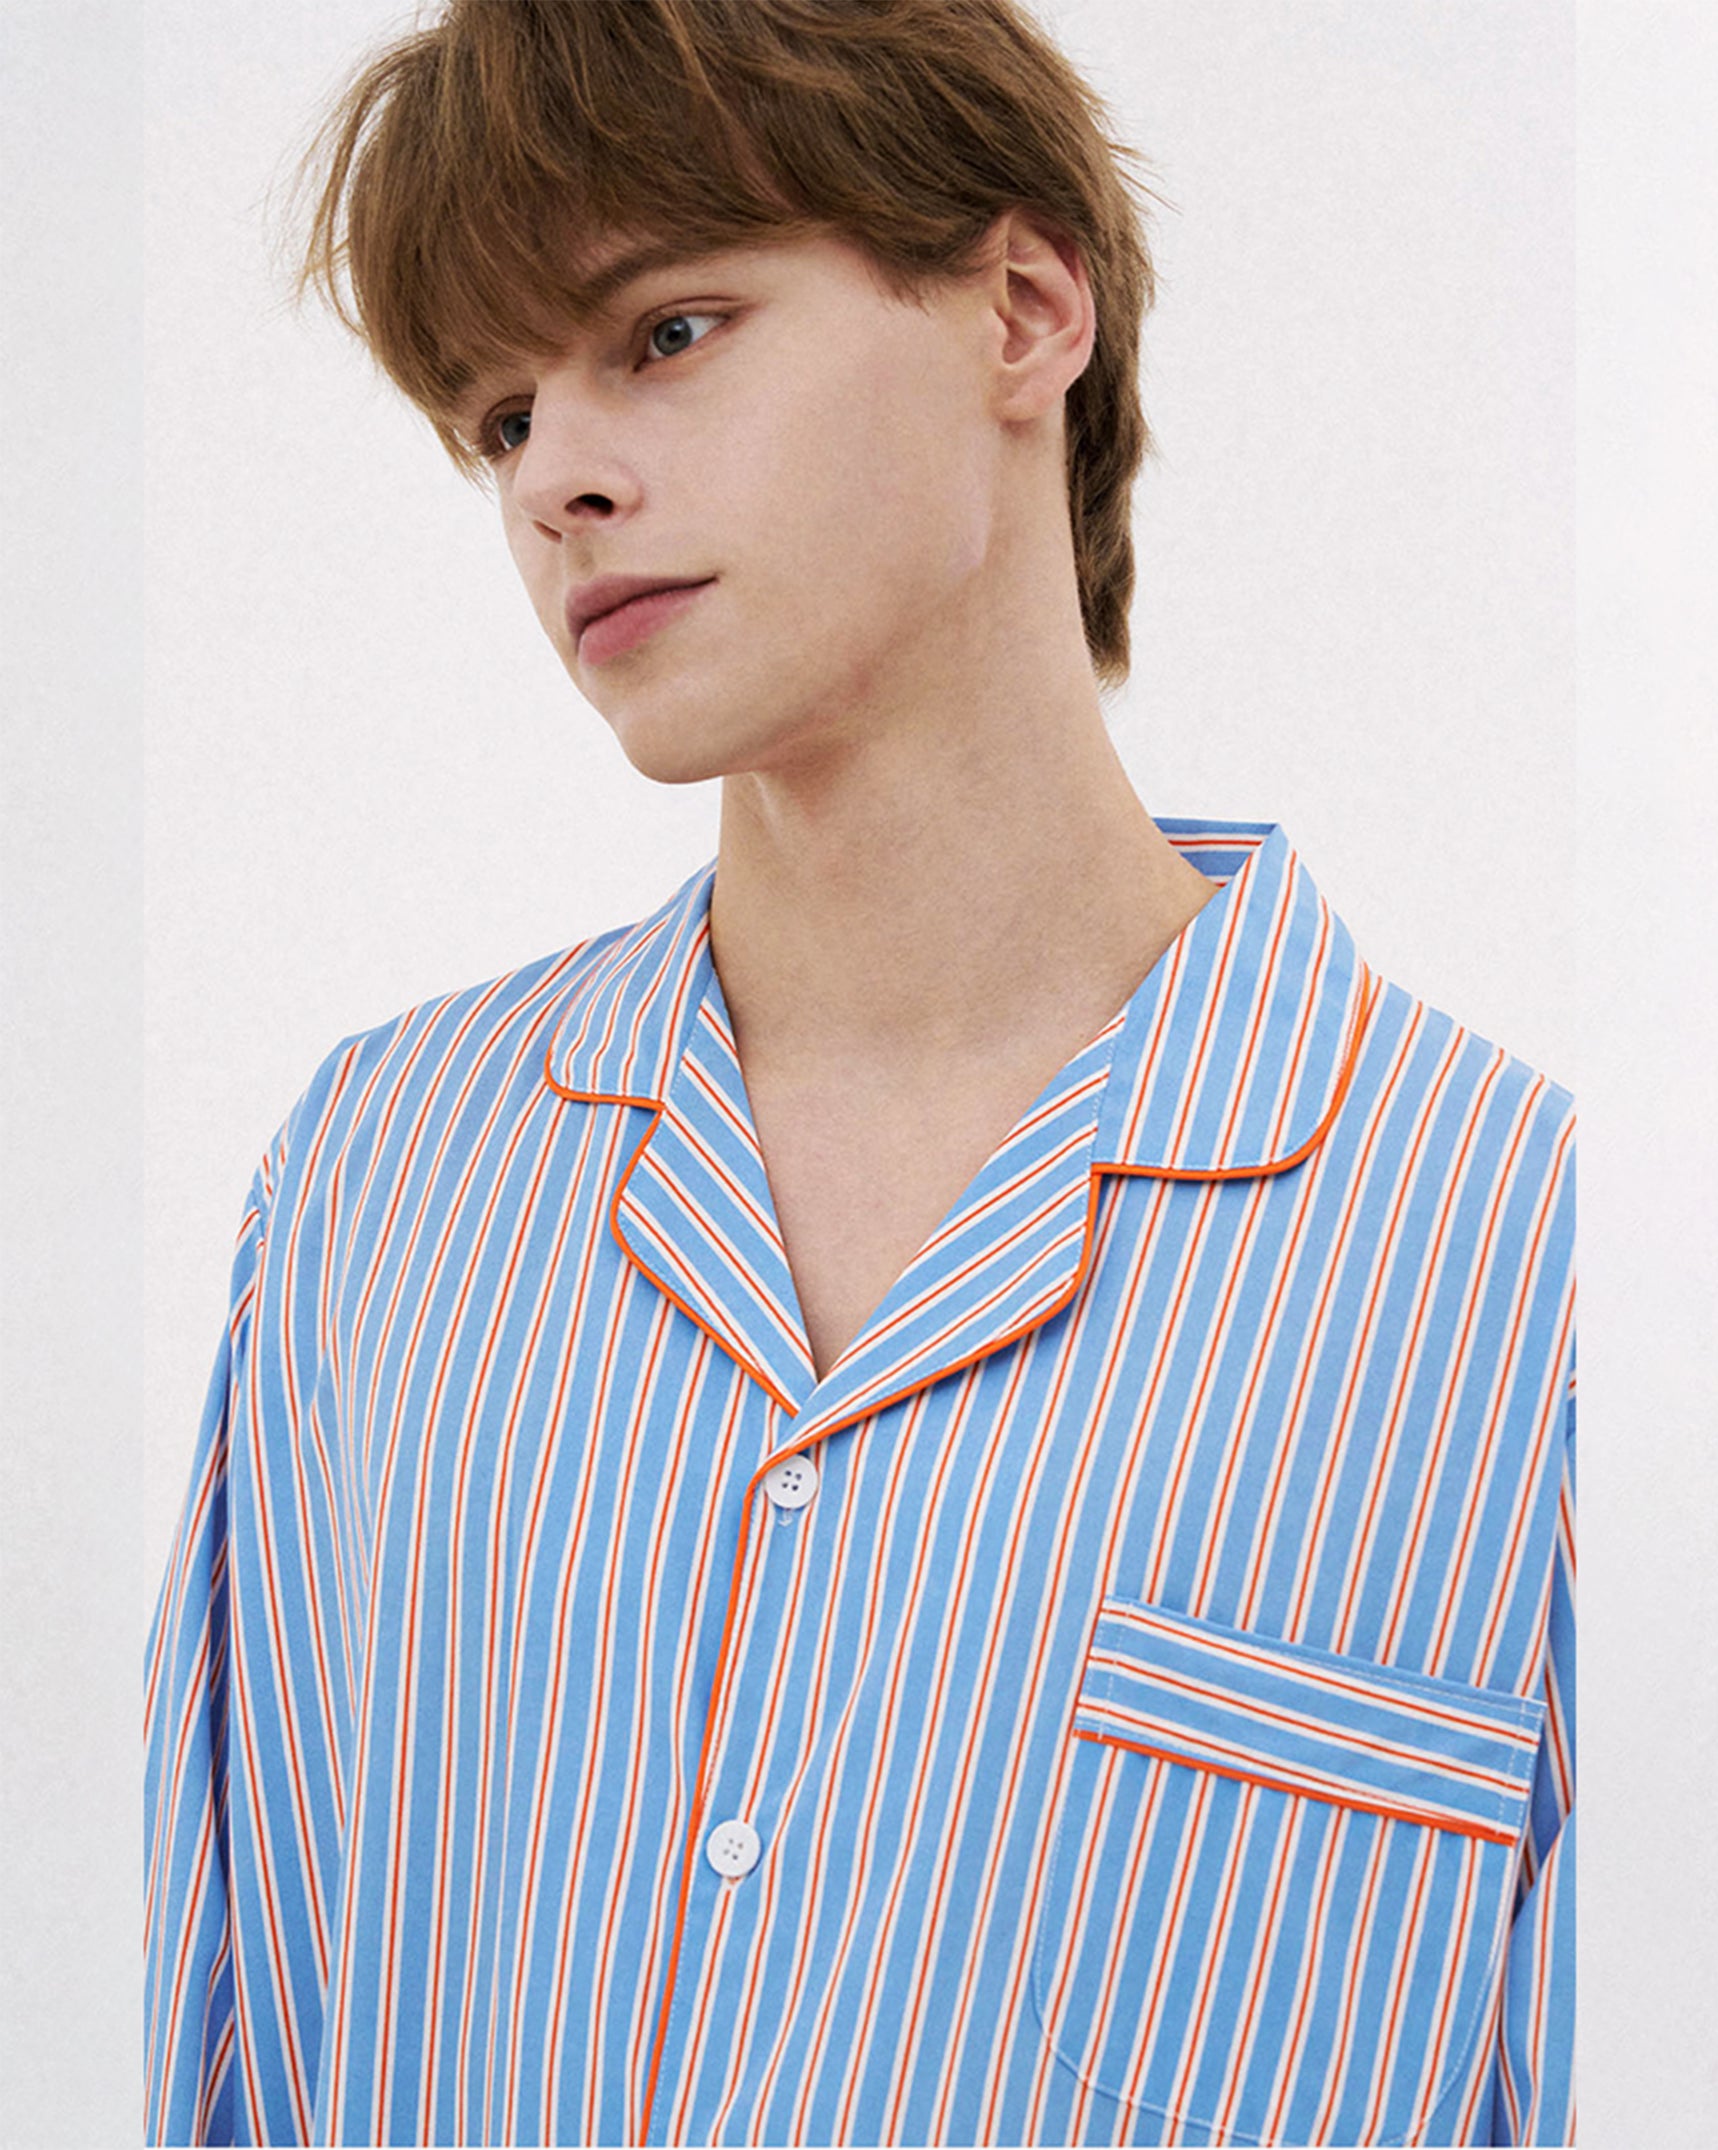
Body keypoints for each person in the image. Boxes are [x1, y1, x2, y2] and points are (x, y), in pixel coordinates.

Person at [143, 2, 1574, 2144]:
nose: (551, 478)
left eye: (668, 331)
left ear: (1023, 309)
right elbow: (239, 2042)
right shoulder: (373, 1186)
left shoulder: (1530, 1257)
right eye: (499, 414)